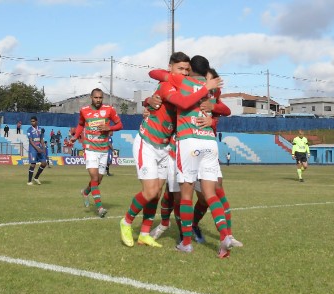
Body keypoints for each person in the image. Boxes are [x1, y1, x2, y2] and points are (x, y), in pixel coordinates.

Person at [119, 52, 222, 249]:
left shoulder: (187, 88)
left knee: (156, 193)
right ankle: (126, 221)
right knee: (150, 191)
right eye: (180, 69)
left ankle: (144, 234)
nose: (184, 73)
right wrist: (148, 101)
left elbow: (215, 109)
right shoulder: (168, 85)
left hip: (165, 146)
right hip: (147, 142)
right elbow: (181, 102)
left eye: (186, 70)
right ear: (171, 69)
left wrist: (212, 116)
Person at [71, 88, 123, 218]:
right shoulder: (84, 111)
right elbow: (81, 125)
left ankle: (85, 191)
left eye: (100, 98)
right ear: (91, 97)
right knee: (94, 178)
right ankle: (100, 208)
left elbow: (119, 125)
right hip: (90, 149)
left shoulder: (109, 110)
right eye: (96, 98)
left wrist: (109, 128)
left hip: (103, 149)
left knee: (98, 181)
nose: (98, 100)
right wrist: (75, 137)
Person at [26, 116, 47, 185]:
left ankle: (36, 177)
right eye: (31, 121)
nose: (32, 122)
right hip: (33, 148)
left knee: (44, 163)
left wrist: (43, 148)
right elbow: (31, 141)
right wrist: (36, 148)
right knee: (33, 164)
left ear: (36, 121)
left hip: (40, 148)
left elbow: (41, 139)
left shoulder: (40, 129)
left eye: (33, 121)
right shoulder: (29, 130)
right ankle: (29, 181)